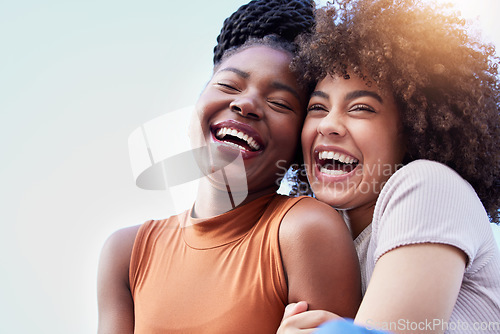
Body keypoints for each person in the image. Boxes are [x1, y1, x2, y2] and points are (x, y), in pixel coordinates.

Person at [97, 1, 361, 333]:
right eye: (228, 85)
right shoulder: (126, 253)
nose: (246, 103)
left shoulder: (304, 231)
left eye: (279, 103)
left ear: (298, 145)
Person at [278, 0, 500, 333]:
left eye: (362, 108)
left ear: (413, 129)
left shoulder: (429, 185)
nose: (329, 125)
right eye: (318, 107)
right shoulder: (323, 227)